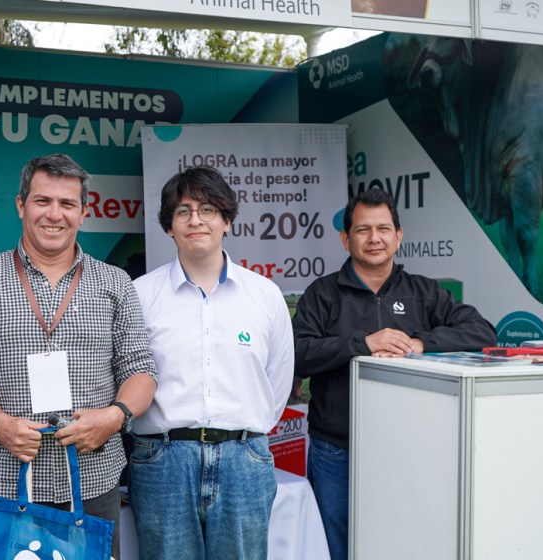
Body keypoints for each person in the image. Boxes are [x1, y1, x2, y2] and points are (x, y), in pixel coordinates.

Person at [0, 153, 157, 558]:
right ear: (21, 205)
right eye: (42, 201)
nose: (54, 214)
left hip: (92, 478)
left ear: (83, 212)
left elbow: (141, 369)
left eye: (67, 204)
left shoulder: (116, 283)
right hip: (8, 475)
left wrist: (113, 418)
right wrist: (0, 423)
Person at [293, 187, 497, 560]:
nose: (374, 238)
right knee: (335, 546)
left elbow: (482, 331)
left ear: (398, 236)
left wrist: (420, 342)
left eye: (384, 229)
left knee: (400, 541)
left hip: (409, 447)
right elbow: (298, 355)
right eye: (363, 229)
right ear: (345, 238)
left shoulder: (424, 292)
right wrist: (363, 343)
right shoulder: (322, 295)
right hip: (336, 449)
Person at [130, 166, 294, 559]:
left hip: (245, 460)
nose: (195, 220)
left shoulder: (265, 296)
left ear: (227, 220)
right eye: (182, 211)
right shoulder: (139, 295)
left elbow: (277, 381)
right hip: (163, 460)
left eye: (207, 209)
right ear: (168, 227)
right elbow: (127, 376)